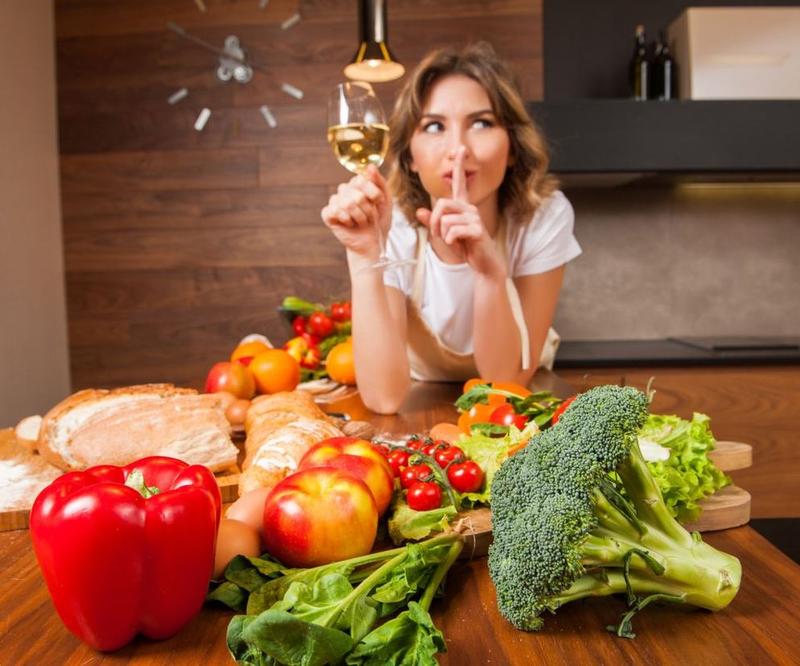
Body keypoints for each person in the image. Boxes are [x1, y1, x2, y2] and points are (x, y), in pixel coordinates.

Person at [321, 42, 581, 414]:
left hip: (513, 403)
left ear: (512, 149)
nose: (458, 149)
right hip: (417, 398)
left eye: (481, 123)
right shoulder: (393, 223)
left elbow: (504, 387)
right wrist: (363, 255)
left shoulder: (543, 217)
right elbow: (384, 398)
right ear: (409, 156)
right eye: (434, 126)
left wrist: (490, 274)